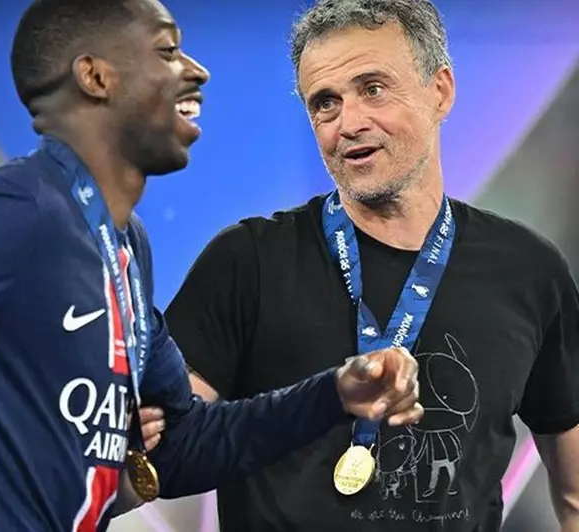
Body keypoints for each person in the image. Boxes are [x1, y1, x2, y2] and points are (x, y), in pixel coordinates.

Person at [0, 1, 423, 531]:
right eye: (167, 51)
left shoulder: (124, 246)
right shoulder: (18, 211)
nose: (195, 71)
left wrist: (334, 394)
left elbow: (184, 442)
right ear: (95, 76)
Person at [164, 0, 579, 531]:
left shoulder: (529, 270)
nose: (350, 123)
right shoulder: (246, 263)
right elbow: (169, 452)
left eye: (374, 89)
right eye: (326, 103)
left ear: (440, 91)